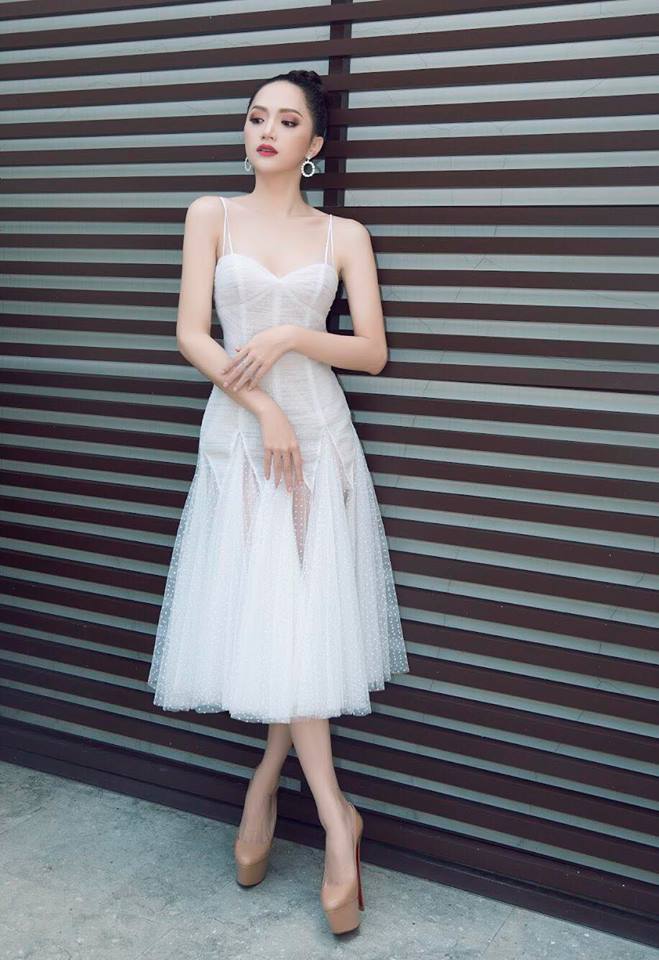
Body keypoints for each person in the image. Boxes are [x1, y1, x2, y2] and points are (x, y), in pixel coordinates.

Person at [146, 68, 410, 935]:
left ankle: (268, 786)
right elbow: (191, 332)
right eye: (257, 116)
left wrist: (296, 334)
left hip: (320, 443)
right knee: (274, 614)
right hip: (242, 439)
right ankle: (335, 816)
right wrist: (260, 407)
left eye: (287, 120)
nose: (266, 129)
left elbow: (370, 352)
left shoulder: (343, 235)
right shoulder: (210, 215)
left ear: (315, 145)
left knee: (297, 615)